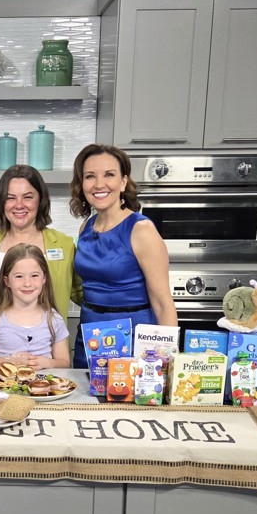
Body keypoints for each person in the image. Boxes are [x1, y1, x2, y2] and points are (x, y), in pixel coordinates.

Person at [69, 143, 178, 368]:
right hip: (91, 338)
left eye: (109, 174)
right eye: (90, 176)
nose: (99, 184)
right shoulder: (86, 227)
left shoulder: (141, 230)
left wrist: (166, 361)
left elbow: (163, 303)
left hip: (134, 343)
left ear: (123, 182)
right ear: (82, 184)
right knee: (83, 391)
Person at [0, 165, 78, 353]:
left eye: (28, 197)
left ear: (40, 200)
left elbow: (83, 292)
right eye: (10, 197)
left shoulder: (63, 244)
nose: (19, 205)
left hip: (47, 354)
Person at [0, 245, 70, 370]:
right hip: (5, 382)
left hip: (43, 382)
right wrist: (8, 361)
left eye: (34, 275)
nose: (27, 283)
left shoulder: (54, 319)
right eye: (19, 276)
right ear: (6, 281)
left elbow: (64, 362)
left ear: (44, 278)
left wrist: (49, 363)